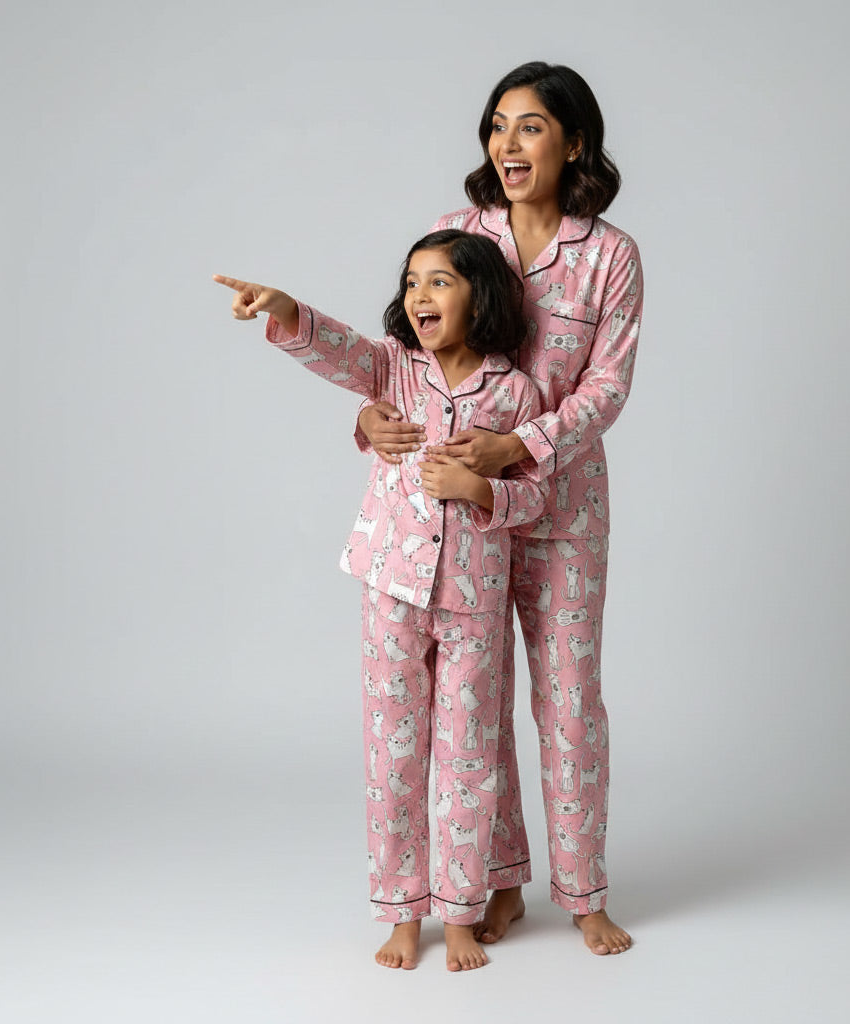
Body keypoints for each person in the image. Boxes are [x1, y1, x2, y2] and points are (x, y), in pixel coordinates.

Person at [357, 62, 643, 956]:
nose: (506, 144)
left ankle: (584, 890)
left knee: (566, 699)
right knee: (475, 705)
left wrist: (520, 447)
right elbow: (404, 358)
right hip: (450, 520)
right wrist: (369, 422)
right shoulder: (456, 231)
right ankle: (497, 881)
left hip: (559, 508)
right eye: (497, 126)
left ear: (574, 142)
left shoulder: (610, 255)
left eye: (528, 127)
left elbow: (607, 387)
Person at [214, 229, 547, 972]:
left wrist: (481, 489)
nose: (419, 295)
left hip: (474, 597)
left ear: (481, 294)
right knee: (394, 753)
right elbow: (339, 350)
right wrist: (286, 308)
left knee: (467, 757)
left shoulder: (516, 391)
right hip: (390, 588)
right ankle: (402, 912)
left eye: (439, 282)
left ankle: (459, 914)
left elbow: (535, 499)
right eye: (412, 282)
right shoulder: (392, 370)